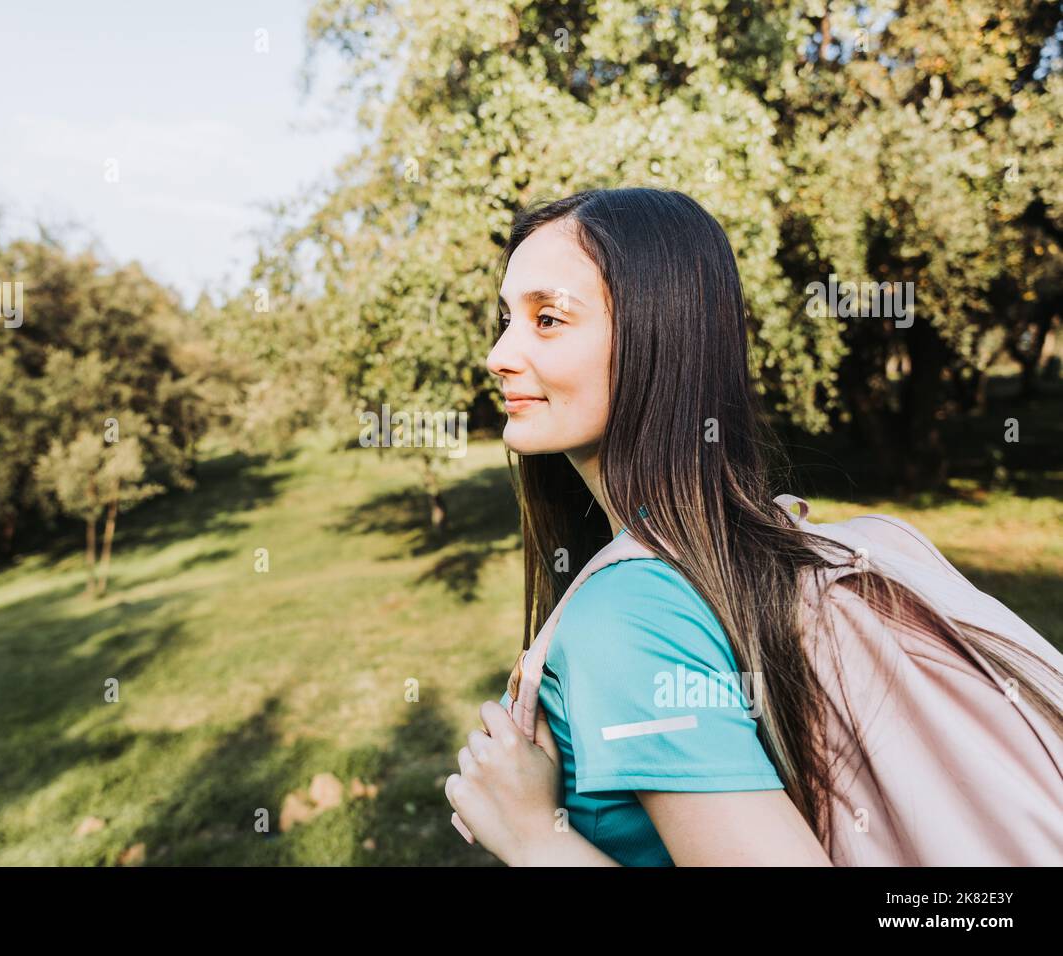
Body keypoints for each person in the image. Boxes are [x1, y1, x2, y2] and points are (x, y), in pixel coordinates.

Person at [441, 187, 1062, 866]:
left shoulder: (627, 617)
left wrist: (536, 841)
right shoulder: (751, 544)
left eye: (548, 319)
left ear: (661, 335)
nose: (499, 354)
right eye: (505, 318)